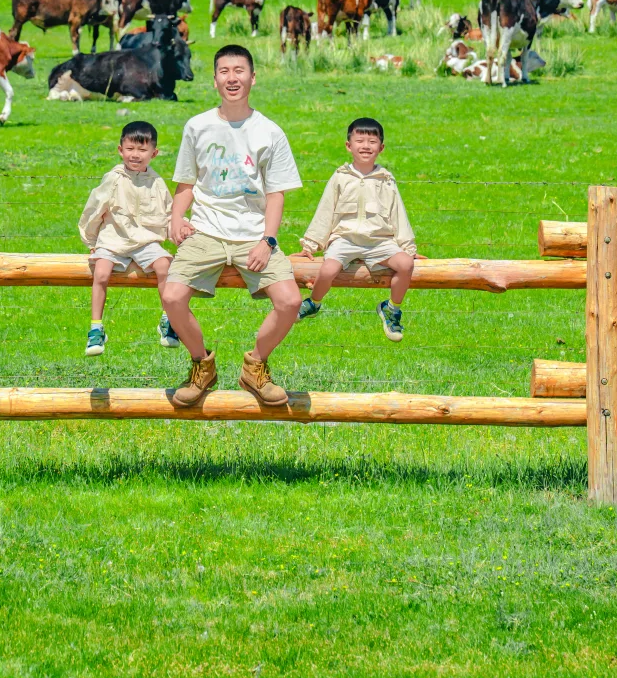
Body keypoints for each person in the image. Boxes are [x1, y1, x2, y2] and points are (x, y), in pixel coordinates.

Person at [161, 44, 302, 407]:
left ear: (253, 78)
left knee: (289, 301)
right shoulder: (197, 126)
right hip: (205, 231)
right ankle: (201, 365)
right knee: (172, 296)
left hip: (253, 235)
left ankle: (255, 365)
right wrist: (176, 218)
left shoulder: (270, 132)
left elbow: (275, 194)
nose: (232, 78)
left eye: (239, 70)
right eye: (224, 71)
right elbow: (186, 185)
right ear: (214, 80)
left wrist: (268, 241)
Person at [297, 116, 416, 340]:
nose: (366, 146)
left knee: (406, 264)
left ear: (381, 147)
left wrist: (408, 248)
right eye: (360, 140)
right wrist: (311, 245)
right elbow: (325, 211)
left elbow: (397, 213)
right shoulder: (340, 177)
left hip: (379, 242)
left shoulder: (386, 179)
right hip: (345, 240)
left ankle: (391, 309)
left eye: (372, 142)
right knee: (328, 270)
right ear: (348, 145)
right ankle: (314, 302)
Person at [78, 119, 179, 356]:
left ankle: (168, 320)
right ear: (120, 150)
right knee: (101, 272)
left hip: (146, 240)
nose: (135, 155)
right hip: (114, 239)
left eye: (142, 150)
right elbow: (94, 209)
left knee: (165, 266)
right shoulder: (113, 179)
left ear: (154, 153)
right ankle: (96, 328)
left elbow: (168, 213)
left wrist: (176, 235)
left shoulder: (156, 182)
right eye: (130, 149)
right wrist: (92, 242)